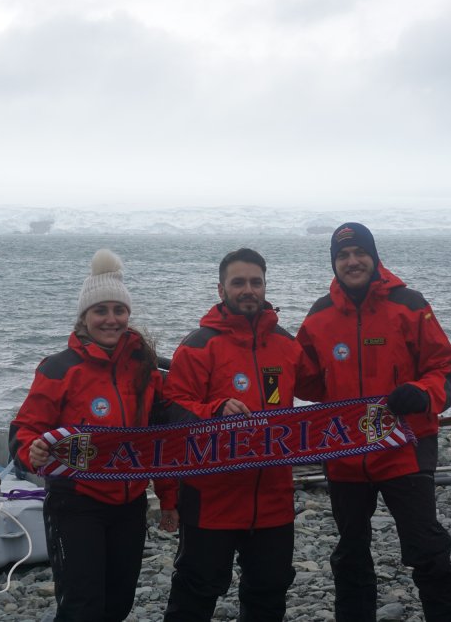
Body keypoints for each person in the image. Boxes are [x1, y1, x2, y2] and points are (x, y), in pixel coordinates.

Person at [296, 223, 451, 622]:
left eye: (360, 252)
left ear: (374, 258)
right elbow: (304, 380)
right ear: (334, 263)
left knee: (427, 549)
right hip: (345, 453)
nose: (352, 261)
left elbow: (446, 370)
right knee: (350, 552)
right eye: (343, 255)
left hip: (404, 448)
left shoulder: (409, 303)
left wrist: (423, 393)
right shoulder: (319, 315)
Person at [10, 249, 179, 622]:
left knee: (118, 603)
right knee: (82, 606)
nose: (111, 319)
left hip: (130, 503)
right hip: (76, 504)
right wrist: (31, 452)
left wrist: (168, 497)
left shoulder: (144, 368)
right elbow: (25, 428)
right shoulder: (59, 368)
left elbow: (159, 439)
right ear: (84, 316)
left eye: (119, 310)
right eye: (100, 310)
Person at [161, 248, 306, 622]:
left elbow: (328, 391)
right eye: (238, 282)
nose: (248, 290)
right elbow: (172, 409)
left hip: (273, 497)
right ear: (221, 288)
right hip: (212, 500)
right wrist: (215, 410)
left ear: (265, 286)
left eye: (255, 282)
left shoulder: (287, 344)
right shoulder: (198, 345)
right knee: (196, 591)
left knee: (269, 593)